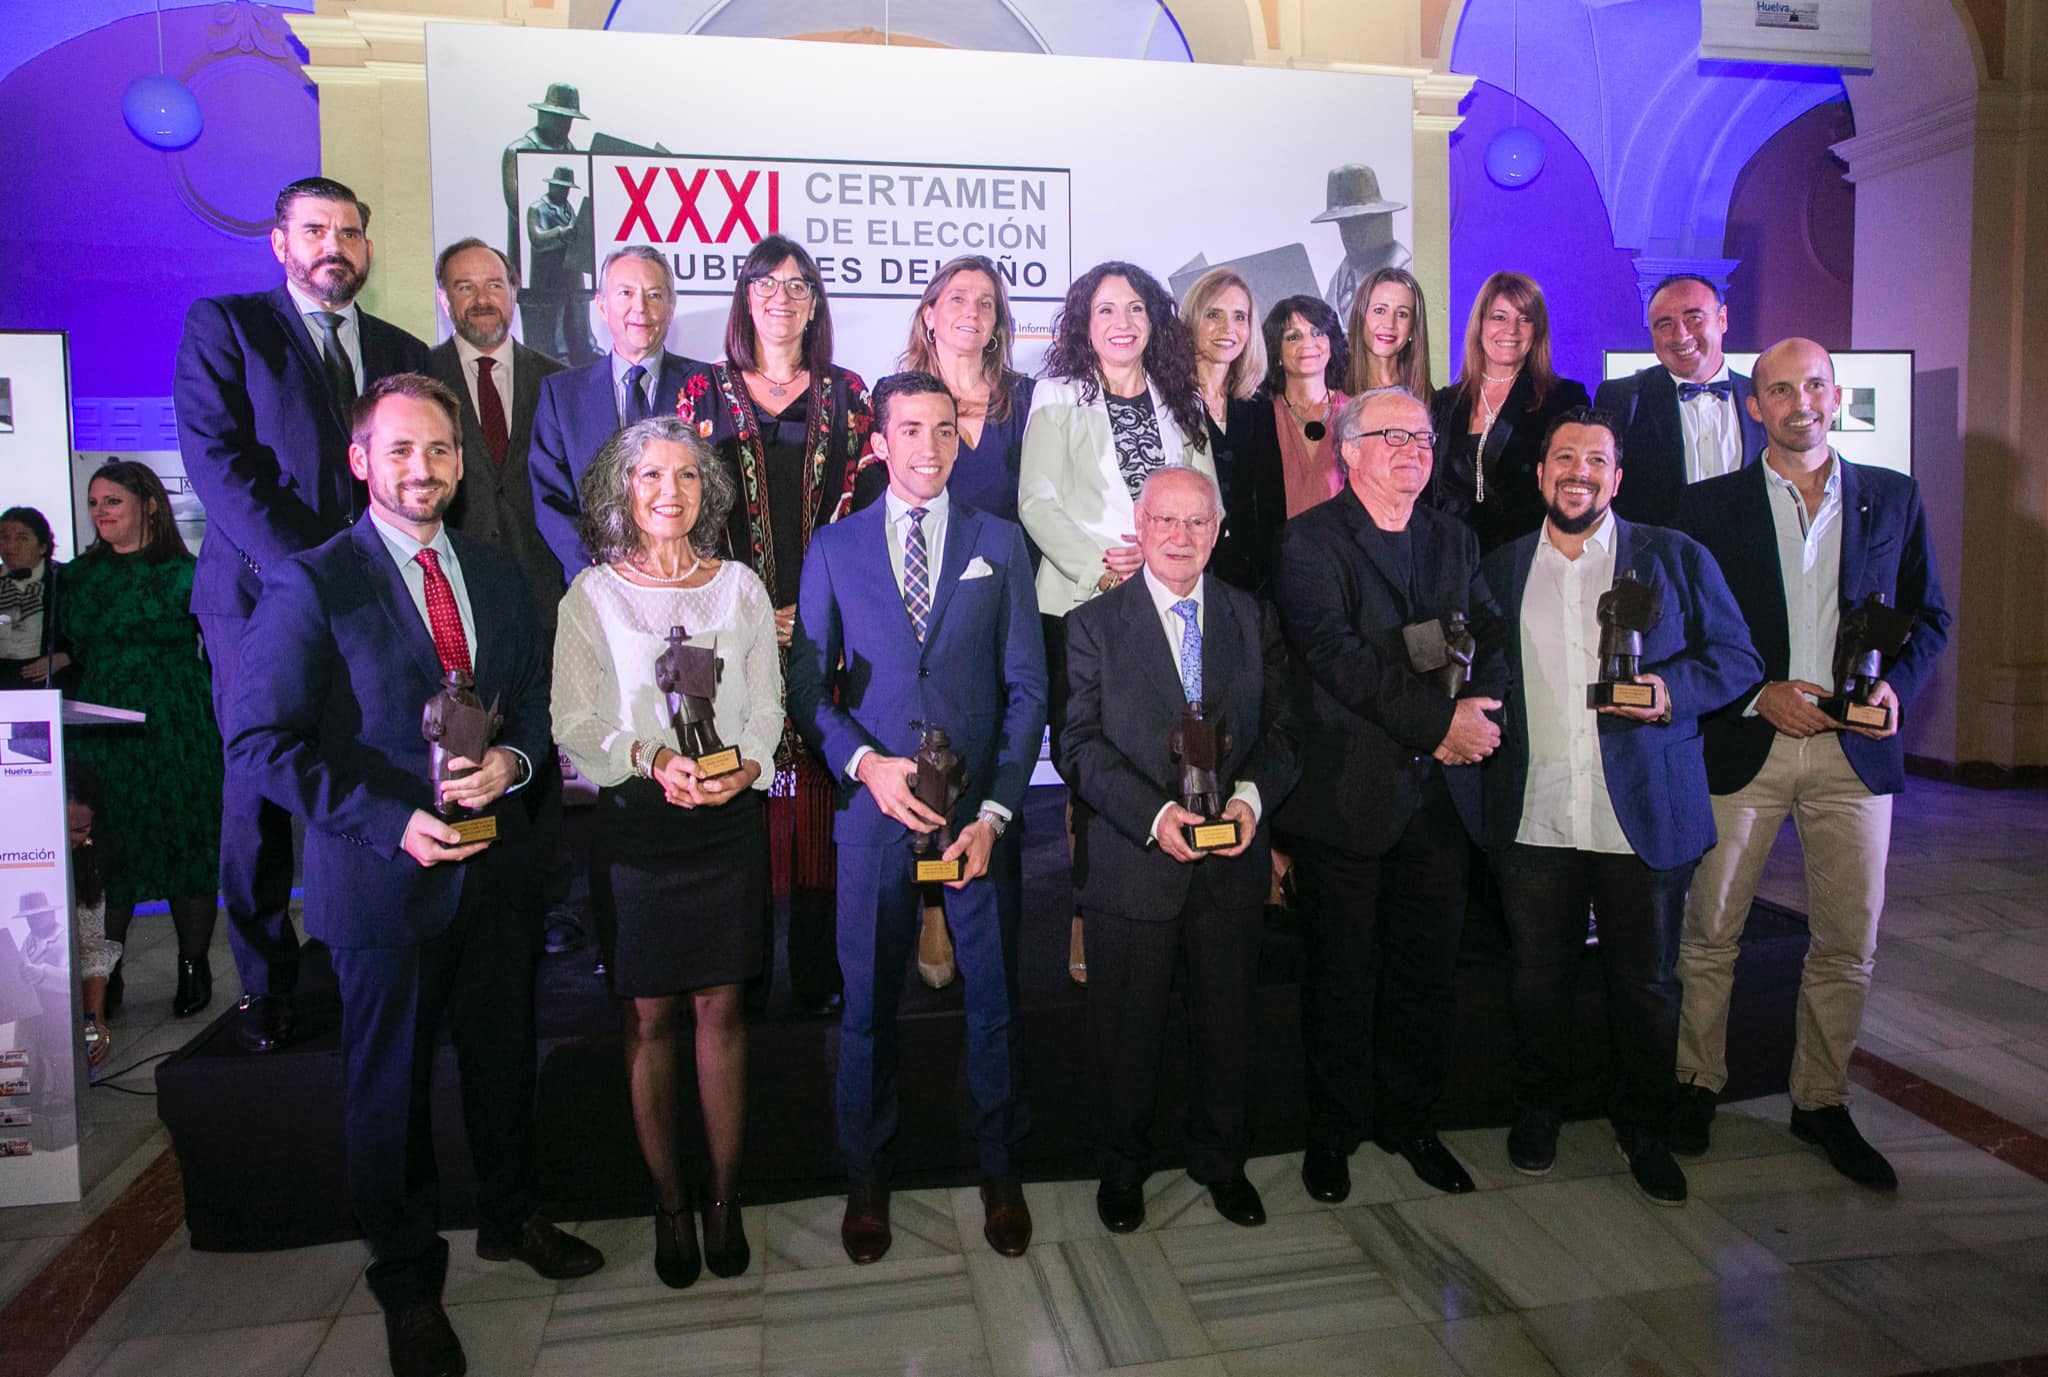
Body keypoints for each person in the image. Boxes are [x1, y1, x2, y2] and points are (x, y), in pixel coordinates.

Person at [226, 374, 603, 1377]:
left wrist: (514, 762)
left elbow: (533, 700)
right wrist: (392, 822)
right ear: (360, 461)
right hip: (382, 884)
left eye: (438, 449)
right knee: (387, 1094)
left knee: (503, 1061)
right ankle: (406, 1281)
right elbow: (258, 741)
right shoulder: (314, 582)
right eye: (398, 450)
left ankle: (510, 1215)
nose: (421, 468)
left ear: (460, 463)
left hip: (498, 872)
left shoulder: (497, 572)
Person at [1671, 338, 1950, 1190]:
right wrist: (1756, 695)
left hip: (1852, 753)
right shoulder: (1708, 507)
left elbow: (1930, 616)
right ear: (1755, 405)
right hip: (1746, 744)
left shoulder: (1893, 497)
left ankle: (1821, 1099)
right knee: (1711, 932)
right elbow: (1684, 629)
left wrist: (1897, 688)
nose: (1801, 402)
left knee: (1847, 940)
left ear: (1836, 395)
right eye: (1781, 388)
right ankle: (1694, 1085)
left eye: (1815, 386)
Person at [786, 371, 1047, 1265]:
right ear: (879, 443)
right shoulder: (834, 548)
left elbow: (1028, 687)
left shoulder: (999, 542)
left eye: (943, 429)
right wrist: (865, 763)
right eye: (910, 429)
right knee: (866, 1008)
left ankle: (1000, 1168)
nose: (929, 447)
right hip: (874, 811)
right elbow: (805, 683)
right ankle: (867, 1177)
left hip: (978, 820)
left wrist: (998, 810)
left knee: (995, 1001)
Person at [1478, 407, 1760, 1205]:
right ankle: (1540, 1109)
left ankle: (1642, 1125)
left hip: (1643, 813)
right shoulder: (1497, 570)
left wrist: (1669, 692)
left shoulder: (1674, 556)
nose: (1579, 472)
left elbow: (1738, 657)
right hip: (1535, 813)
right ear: (1541, 474)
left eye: (1596, 460)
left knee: (1647, 984)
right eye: (1564, 457)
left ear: (1618, 477)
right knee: (1538, 977)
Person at [176, 174, 431, 1052]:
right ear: (280, 243)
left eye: (350, 233)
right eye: (317, 230)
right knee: (259, 790)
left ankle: (367, 943)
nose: (335, 247)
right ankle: (265, 982)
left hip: (377, 602)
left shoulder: (401, 348)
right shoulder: (228, 327)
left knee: (370, 765)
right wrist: (314, 577)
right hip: (260, 600)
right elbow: (219, 463)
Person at [552, 417, 780, 1287]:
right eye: (650, 475)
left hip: (726, 822)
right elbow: (573, 720)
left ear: (706, 489)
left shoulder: (741, 587)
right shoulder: (592, 595)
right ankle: (670, 1202)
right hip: (638, 824)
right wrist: (651, 759)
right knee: (649, 1017)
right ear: (623, 488)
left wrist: (747, 768)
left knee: (722, 1010)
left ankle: (724, 1196)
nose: (668, 491)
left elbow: (766, 706)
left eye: (686, 475)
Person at [1273, 387, 1508, 1200]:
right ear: (1349, 450)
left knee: (1425, 975)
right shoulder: (1308, 543)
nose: (1414, 449)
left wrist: (1479, 711)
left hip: (1440, 804)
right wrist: (1442, 723)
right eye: (1393, 436)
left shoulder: (1454, 538)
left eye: (1422, 437)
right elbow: (1339, 659)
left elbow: (1490, 633)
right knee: (1341, 977)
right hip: (1348, 795)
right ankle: (1332, 1135)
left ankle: (1410, 1122)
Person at [1059, 466, 1299, 1233]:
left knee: (1228, 1029)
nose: (1180, 536)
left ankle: (1221, 1163)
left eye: (1197, 521)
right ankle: (1123, 1169)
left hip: (1232, 863)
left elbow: (1285, 733)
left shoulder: (1250, 616)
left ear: (1219, 530)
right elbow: (1077, 745)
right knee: (1126, 1036)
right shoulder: (1093, 624)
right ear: (1140, 524)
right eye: (1165, 519)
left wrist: (1251, 798)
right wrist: (1156, 814)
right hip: (1135, 864)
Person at [691, 233, 878, 1018]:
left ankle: (817, 970)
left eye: (799, 284)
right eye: (767, 282)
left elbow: (868, 508)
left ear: (816, 303)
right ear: (746, 297)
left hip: (825, 622)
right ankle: (740, 972)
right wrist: (745, 607)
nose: (782, 296)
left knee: (820, 801)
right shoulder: (702, 392)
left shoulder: (849, 394)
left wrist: (819, 604)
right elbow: (684, 510)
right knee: (738, 789)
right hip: (725, 625)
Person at [1020, 261, 1214, 982]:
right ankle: (1085, 909)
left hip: (1172, 601)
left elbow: (1210, 498)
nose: (1122, 322)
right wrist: (1106, 569)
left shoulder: (1181, 397)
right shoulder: (1057, 395)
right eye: (1106, 310)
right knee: (1092, 769)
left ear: (1154, 320)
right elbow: (1037, 502)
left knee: (1165, 753)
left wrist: (1167, 560)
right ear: (1085, 323)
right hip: (1083, 606)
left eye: (1135, 308)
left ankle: (1174, 897)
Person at [426, 237, 583, 955]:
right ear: (444, 297)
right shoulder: (417, 379)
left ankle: (550, 900)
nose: (482, 298)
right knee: (458, 741)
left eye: (493, 283)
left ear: (514, 291)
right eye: (465, 286)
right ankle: (461, 898)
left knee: (536, 741)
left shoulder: (559, 380)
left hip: (540, 590)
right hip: (453, 590)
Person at [58, 462, 224, 1021]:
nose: (100, 512)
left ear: (149, 504)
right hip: (103, 728)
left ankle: (193, 966)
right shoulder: (77, 577)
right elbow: (69, 650)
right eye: (94, 503)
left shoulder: (187, 573)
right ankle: (105, 973)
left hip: (177, 726)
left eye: (112, 501)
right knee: (106, 850)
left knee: (187, 841)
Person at [530, 245, 707, 580]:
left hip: (687, 580)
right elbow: (550, 501)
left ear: (671, 308)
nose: (640, 308)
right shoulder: (561, 395)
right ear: (601, 305)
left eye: (654, 295)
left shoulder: (708, 385)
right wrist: (602, 575)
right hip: (596, 586)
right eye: (625, 293)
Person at [1429, 271, 1590, 553]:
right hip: (1452, 559)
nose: (1511, 330)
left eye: (1524, 319)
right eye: (1499, 317)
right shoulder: (1443, 403)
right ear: (1480, 324)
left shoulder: (1565, 399)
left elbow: (1577, 489)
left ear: (1537, 330)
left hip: (1528, 558)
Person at [1596, 274, 1766, 526]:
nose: (1680, 336)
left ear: (1722, 319)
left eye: (1693, 318)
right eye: (1664, 324)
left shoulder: (1763, 396)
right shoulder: (1621, 399)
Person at [899, 254, 1035, 526]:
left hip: (1009, 552)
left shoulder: (1027, 398)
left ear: (995, 325)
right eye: (958, 299)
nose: (973, 312)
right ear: (929, 316)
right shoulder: (898, 399)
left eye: (985, 304)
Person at [1181, 267, 1278, 596]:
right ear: (1191, 321)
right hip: (1187, 572)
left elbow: (1270, 504)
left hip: (1251, 583)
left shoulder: (1258, 406)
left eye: (1240, 317)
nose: (1228, 328)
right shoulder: (1167, 401)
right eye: (1214, 315)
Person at [1262, 295, 1351, 518]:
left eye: (1318, 333)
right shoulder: (1260, 417)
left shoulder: (1356, 414)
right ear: (1277, 353)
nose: (1308, 343)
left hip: (1343, 539)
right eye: (1293, 337)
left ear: (1331, 345)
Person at [499, 82, 585, 284]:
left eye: (568, 119)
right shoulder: (517, 150)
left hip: (569, 272)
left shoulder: (570, 151)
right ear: (543, 114)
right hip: (534, 269)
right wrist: (562, 233)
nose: (564, 124)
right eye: (559, 117)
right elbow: (518, 206)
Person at [67, 762, 121, 1075]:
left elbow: (90, 945)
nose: (68, 840)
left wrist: (94, 1024)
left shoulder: (91, 859)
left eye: (79, 831)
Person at [1312, 164, 1412, 315]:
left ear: (1385, 220)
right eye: (1344, 225)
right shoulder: (1343, 273)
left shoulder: (1406, 273)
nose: (1351, 235)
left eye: (1361, 223)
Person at [1, 506, 68, 691]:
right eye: (4, 537)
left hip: (49, 679)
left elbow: (91, 637)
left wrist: (63, 658)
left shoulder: (64, 579)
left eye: (22, 538)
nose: (10, 546)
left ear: (42, 546)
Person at [1344, 266, 1433, 403]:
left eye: (1402, 314)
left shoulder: (1426, 396)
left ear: (1413, 326)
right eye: (1379, 310)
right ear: (1360, 316)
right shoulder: (1333, 387)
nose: (1390, 324)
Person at [522, 167, 580, 360]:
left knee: (570, 320)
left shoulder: (568, 208)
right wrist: (561, 233)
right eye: (561, 187)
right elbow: (536, 238)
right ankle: (558, 359)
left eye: (567, 188)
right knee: (551, 327)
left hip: (568, 276)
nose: (564, 191)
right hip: (547, 278)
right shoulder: (538, 208)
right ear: (551, 186)